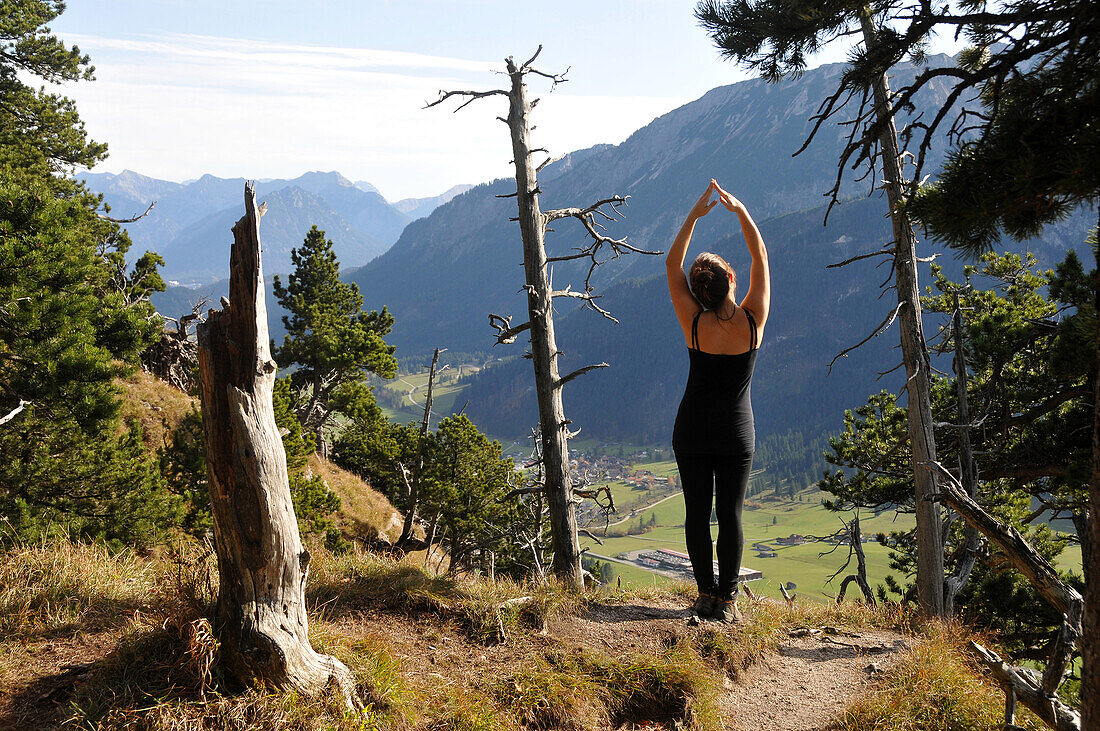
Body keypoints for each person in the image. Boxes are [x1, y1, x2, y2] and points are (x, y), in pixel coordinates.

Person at [665, 179, 770, 623]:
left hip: (692, 430)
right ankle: (726, 602)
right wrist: (741, 210)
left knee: (695, 513)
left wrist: (693, 215)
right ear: (732, 280)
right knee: (731, 513)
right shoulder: (752, 322)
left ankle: (705, 593)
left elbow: (671, 262)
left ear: (698, 292)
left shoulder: (692, 323)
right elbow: (760, 257)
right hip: (735, 432)